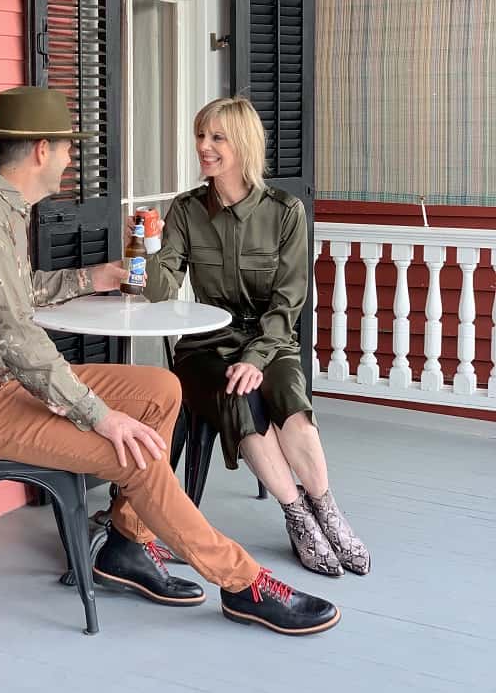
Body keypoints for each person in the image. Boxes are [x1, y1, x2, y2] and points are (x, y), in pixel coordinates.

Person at [0, 86, 340, 635]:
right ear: (42, 150)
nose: (71, 159)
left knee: (161, 388)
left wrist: (95, 276)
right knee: (133, 454)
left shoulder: (1, 209)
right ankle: (242, 581)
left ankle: (125, 543)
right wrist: (99, 414)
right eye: (68, 148)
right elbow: (19, 338)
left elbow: (16, 293)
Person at [141, 96, 370, 578]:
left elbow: (287, 304)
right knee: (237, 393)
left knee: (286, 394)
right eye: (201, 135)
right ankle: (297, 515)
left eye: (216, 137)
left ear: (243, 144)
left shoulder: (286, 212)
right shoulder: (184, 210)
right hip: (205, 346)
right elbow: (161, 294)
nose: (203, 146)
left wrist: (259, 357)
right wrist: (152, 244)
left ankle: (326, 509)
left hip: (271, 338)